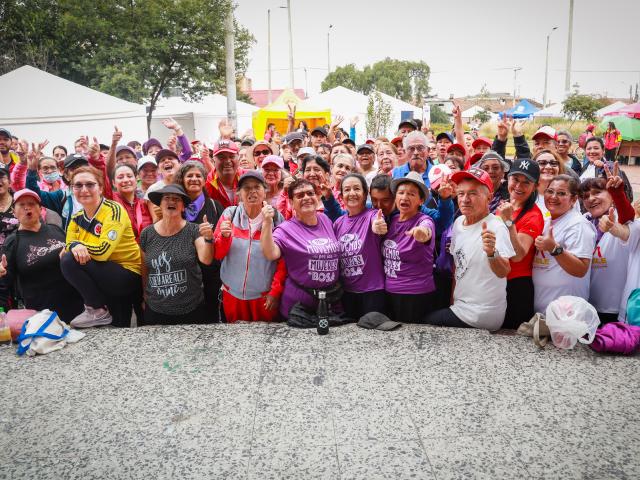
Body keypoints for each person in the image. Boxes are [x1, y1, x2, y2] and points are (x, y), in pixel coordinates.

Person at [424, 168, 515, 330]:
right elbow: (458, 267)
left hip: (481, 313)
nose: (465, 199)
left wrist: (491, 253)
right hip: (461, 307)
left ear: (489, 197)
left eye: (473, 193)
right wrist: (453, 301)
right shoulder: (459, 222)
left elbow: (503, 271)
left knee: (426, 324)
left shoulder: (496, 227)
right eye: (461, 193)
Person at [60, 166, 142, 328]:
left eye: (90, 185)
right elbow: (70, 243)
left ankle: (96, 309)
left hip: (127, 274)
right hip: (103, 275)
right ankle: (98, 310)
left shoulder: (114, 209)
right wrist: (74, 245)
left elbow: (103, 251)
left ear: (101, 188)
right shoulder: (75, 218)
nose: (84, 190)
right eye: (78, 185)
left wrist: (77, 246)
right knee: (118, 329)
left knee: (69, 258)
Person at [261, 178, 341, 319]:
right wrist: (267, 223)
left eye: (310, 193)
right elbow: (270, 253)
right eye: (300, 195)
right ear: (291, 203)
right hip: (299, 306)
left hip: (330, 301)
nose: (306, 198)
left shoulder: (325, 220)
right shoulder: (286, 229)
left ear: (317, 197)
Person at [0, 189, 84, 322]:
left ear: (40, 209)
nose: (27, 207)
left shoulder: (55, 229)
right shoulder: (12, 242)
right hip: (43, 319)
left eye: (32, 204)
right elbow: (3, 284)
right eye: (21, 205)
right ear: (14, 212)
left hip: (78, 312)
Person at [214, 171, 286, 322]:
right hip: (231, 296)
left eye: (257, 187)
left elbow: (283, 261)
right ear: (239, 193)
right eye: (246, 188)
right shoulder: (230, 215)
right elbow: (218, 254)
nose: (252, 191)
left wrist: (275, 292)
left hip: (263, 298)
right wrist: (225, 237)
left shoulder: (276, 218)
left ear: (265, 190)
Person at [140, 184, 213, 325]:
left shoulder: (193, 230)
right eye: (167, 198)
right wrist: (145, 295)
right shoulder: (147, 234)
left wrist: (209, 238)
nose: (171, 201)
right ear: (160, 204)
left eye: (177, 199)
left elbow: (206, 259)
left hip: (191, 309)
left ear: (183, 207)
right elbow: (145, 268)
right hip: (156, 309)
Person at [532, 175, 596, 314]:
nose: (553, 197)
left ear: (573, 199)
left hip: (567, 315)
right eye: (550, 191)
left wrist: (554, 248)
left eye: (561, 193)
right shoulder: (547, 220)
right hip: (543, 311)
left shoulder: (579, 225)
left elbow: (580, 269)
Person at [580, 168, 635, 324]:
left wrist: (619, 195)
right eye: (585, 196)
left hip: (613, 309)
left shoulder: (621, 218)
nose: (590, 198)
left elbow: (628, 220)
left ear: (611, 195)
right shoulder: (584, 220)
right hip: (587, 305)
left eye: (597, 192)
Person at [495, 159, 544, 329]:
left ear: (535, 186)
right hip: (498, 280)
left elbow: (518, 255)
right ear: (507, 179)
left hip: (517, 286)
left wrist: (509, 222)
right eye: (515, 179)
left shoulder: (534, 216)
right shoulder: (505, 206)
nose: (519, 186)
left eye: (526, 182)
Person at [382, 172, 436, 323]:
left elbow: (426, 230)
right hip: (389, 291)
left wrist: (421, 233)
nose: (404, 197)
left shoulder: (425, 220)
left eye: (411, 194)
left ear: (421, 200)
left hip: (415, 294)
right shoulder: (390, 220)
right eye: (401, 193)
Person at [331, 174, 387, 319]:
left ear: (365, 193)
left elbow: (378, 223)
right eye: (347, 190)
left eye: (357, 188)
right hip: (347, 292)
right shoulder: (338, 223)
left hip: (372, 292)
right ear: (341, 195)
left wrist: (378, 226)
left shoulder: (373, 215)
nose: (352, 193)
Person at [175, 160, 225, 321]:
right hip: (185, 273)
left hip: (211, 273)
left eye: (198, 176)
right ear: (182, 180)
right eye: (189, 176)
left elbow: (224, 239)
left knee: (210, 317)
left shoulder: (215, 206)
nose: (194, 179)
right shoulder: (174, 206)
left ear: (204, 180)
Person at [26, 153, 89, 229]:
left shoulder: (100, 192)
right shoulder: (62, 196)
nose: (79, 172)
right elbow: (34, 194)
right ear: (66, 176)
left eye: (84, 168)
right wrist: (32, 170)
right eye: (74, 169)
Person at [106, 164, 151, 241]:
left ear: (136, 179)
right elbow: (101, 177)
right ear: (113, 183)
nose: (126, 180)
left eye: (129, 176)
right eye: (120, 177)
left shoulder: (145, 203)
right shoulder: (111, 199)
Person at [278, 155, 329, 220]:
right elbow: (282, 218)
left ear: (326, 174)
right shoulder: (297, 196)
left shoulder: (333, 197)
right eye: (308, 170)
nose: (312, 174)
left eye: (316, 169)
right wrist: (285, 191)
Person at [205, 140, 243, 208]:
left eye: (231, 156)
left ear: (238, 158)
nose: (227, 161)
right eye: (221, 157)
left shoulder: (248, 178)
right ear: (213, 160)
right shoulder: (206, 185)